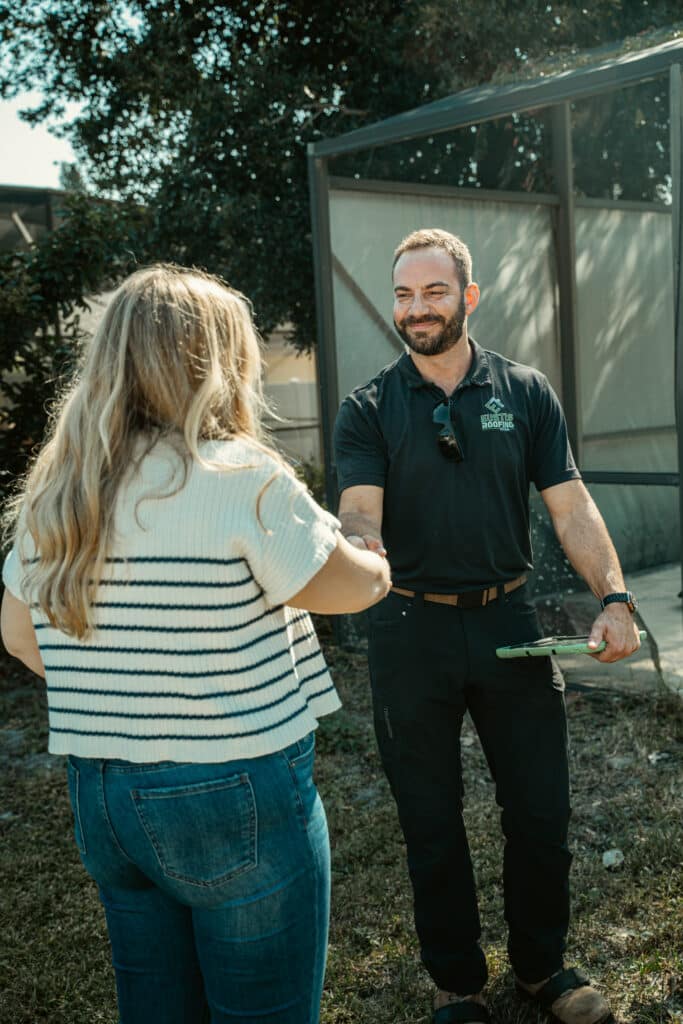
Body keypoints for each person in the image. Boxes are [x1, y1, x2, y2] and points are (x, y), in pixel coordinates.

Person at [1, 263, 391, 1024]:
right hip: (231, 789)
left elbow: (19, 635)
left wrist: (128, 682)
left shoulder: (61, 487)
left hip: (102, 792)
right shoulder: (241, 477)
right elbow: (350, 589)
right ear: (218, 362)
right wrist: (371, 552)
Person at [333, 229, 640, 1024]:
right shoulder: (367, 407)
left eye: (434, 292)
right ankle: (456, 983)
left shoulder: (524, 391)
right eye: (404, 295)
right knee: (429, 821)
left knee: (539, 811)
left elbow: (570, 507)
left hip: (509, 619)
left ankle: (541, 968)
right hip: (408, 628)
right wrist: (357, 547)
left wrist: (613, 598)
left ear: (467, 297)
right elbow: (359, 511)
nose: (416, 309)